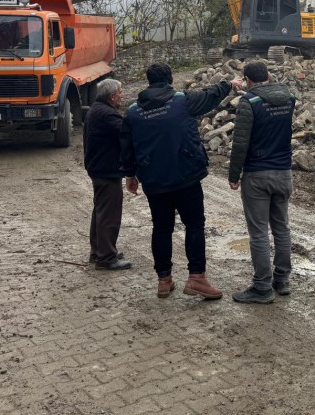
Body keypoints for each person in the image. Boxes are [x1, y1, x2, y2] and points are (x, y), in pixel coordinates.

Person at [120, 62, 242, 299]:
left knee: (161, 228)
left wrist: (130, 175)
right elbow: (210, 95)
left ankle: (164, 280)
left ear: (148, 81)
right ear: (170, 79)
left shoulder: (133, 112)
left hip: (154, 180)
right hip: (186, 176)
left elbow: (127, 146)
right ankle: (197, 278)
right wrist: (229, 84)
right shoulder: (182, 100)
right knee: (194, 225)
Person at [228, 60, 296, 304]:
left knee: (258, 233)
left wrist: (234, 175)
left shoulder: (249, 102)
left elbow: (240, 143)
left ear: (247, 80)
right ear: (268, 75)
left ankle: (262, 287)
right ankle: (282, 279)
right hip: (284, 173)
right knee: (282, 228)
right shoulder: (289, 98)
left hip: (257, 175)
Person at [83, 78, 131, 270]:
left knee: (101, 211)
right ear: (111, 96)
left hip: (98, 168)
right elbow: (127, 134)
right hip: (106, 170)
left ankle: (98, 251)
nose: (122, 95)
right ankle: (107, 258)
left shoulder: (96, 110)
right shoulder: (108, 115)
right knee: (109, 215)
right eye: (120, 92)